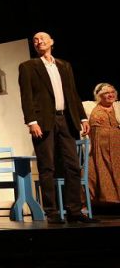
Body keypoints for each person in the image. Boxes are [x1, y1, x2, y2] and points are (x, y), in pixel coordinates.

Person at [18, 31, 98, 224]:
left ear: (52, 42)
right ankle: (52, 212)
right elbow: (26, 96)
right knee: (47, 166)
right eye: (35, 40)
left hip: (66, 120)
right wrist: (32, 121)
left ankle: (75, 211)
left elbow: (72, 93)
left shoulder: (64, 65)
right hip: (43, 121)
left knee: (72, 165)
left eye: (42, 38)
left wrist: (82, 117)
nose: (39, 41)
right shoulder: (28, 67)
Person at [87, 83, 120, 205]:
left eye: (112, 92)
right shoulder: (92, 109)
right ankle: (86, 204)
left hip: (117, 147)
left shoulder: (118, 108)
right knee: (91, 173)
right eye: (106, 93)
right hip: (99, 149)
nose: (110, 95)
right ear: (99, 96)